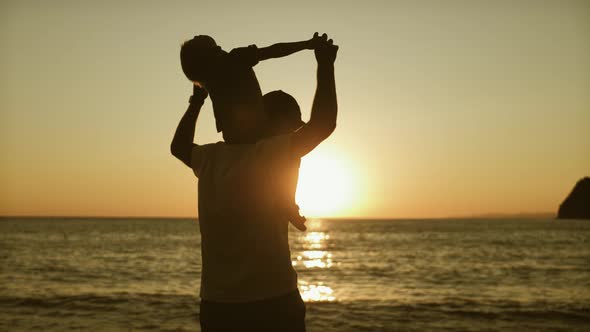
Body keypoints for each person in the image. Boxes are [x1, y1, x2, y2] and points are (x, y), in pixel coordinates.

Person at [171, 35, 338, 332]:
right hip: (272, 301)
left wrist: (197, 99)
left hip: (218, 306)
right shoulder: (271, 154)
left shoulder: (210, 159)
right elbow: (324, 122)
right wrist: (324, 65)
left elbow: (178, 145)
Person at [180, 33, 326, 144]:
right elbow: (274, 51)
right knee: (279, 99)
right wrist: (306, 44)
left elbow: (198, 77)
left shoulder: (208, 79)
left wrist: (197, 98)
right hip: (258, 129)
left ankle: (295, 126)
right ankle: (298, 127)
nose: (222, 50)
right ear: (212, 56)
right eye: (217, 49)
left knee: (274, 100)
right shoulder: (234, 59)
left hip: (232, 137)